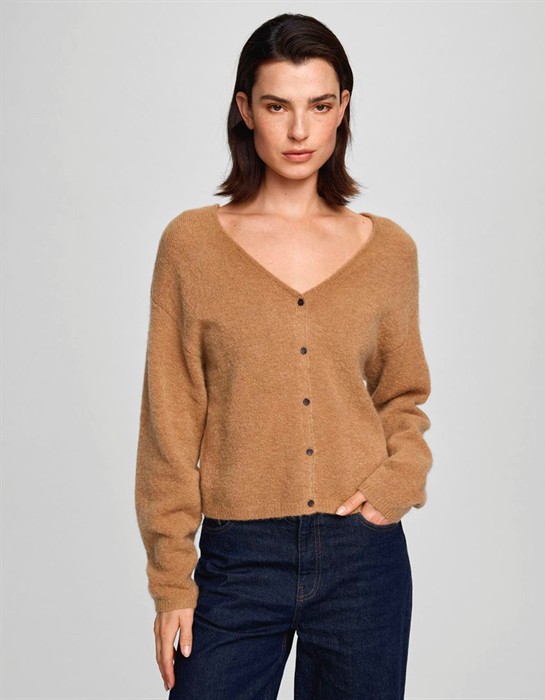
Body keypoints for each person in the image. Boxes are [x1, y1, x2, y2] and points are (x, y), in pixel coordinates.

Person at [134, 12, 433, 700]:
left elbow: (403, 395)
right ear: (245, 110)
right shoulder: (191, 246)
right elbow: (168, 422)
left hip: (362, 558)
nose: (300, 131)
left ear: (343, 109)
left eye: (319, 106)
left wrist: (398, 481)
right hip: (238, 560)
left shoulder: (389, 250)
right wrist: (172, 580)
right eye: (277, 106)